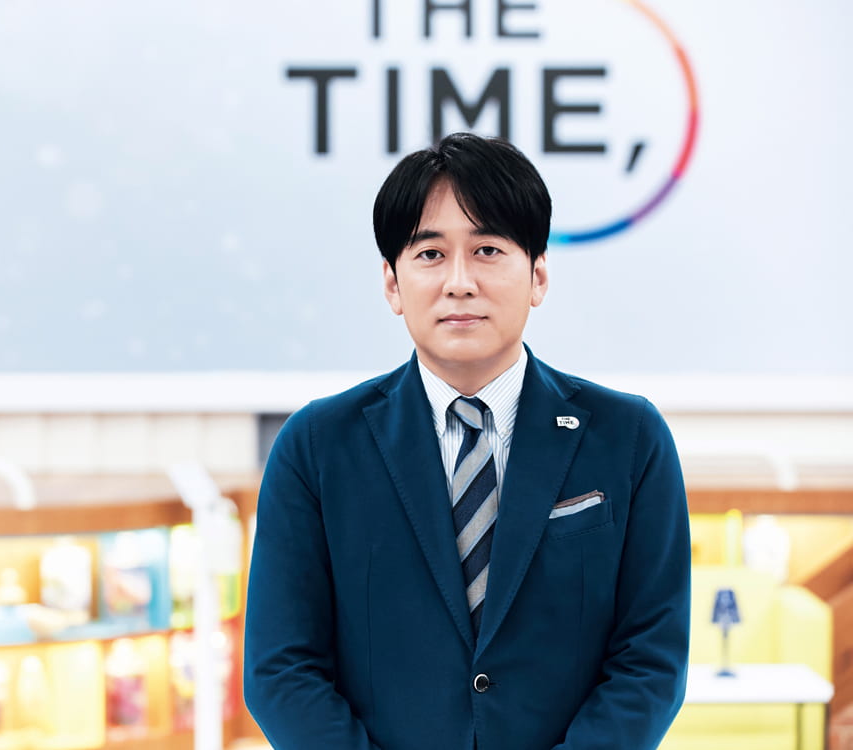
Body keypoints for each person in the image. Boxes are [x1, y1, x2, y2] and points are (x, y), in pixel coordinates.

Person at [243, 132, 690, 750]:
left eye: (487, 250)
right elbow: (281, 670)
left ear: (537, 276)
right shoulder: (317, 447)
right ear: (392, 283)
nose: (459, 282)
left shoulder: (629, 438)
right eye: (430, 254)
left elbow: (651, 660)